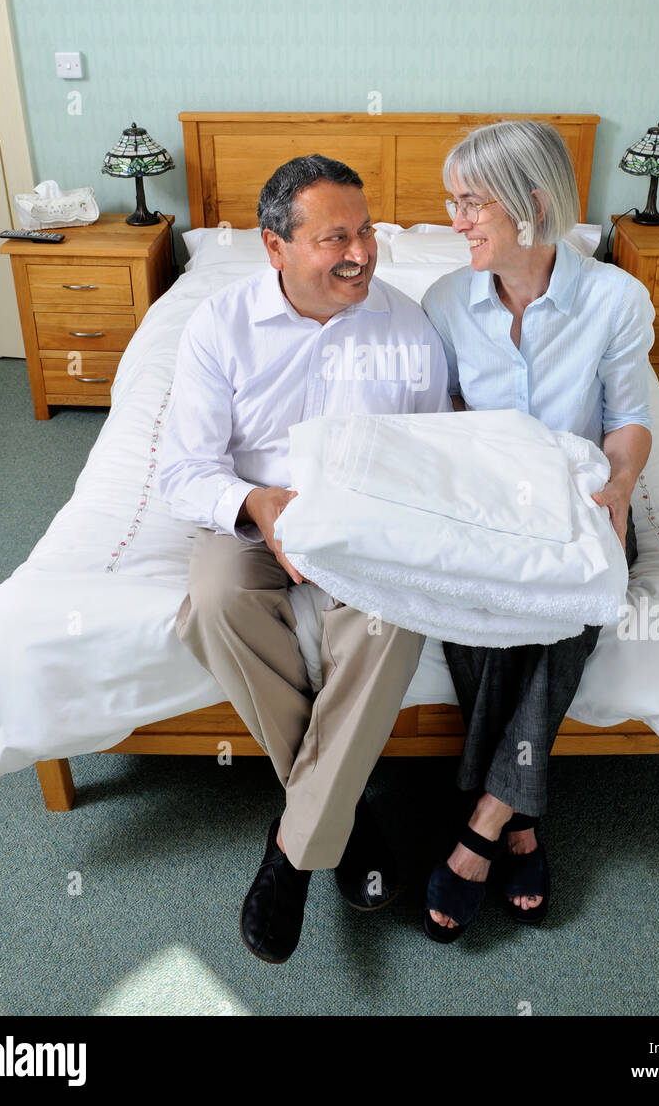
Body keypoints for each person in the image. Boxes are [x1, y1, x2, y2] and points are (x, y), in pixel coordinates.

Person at [158, 154, 451, 964]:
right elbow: (183, 471)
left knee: (395, 619)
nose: (360, 253)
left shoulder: (407, 328)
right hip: (252, 513)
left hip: (364, 520)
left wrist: (368, 518)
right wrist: (257, 505)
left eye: (366, 232)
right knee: (212, 602)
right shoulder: (218, 326)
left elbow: (430, 454)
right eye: (334, 239)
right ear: (274, 246)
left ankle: (294, 848)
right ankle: (342, 819)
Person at [419, 120, 655, 942]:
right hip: (487, 510)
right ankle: (515, 823)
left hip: (579, 502)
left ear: (531, 203)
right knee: (471, 607)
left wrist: (618, 486)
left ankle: (482, 823)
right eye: (451, 202)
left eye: (469, 202)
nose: (455, 221)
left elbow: (628, 419)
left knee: (574, 603)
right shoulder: (445, 302)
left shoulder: (614, 298)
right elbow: (446, 414)